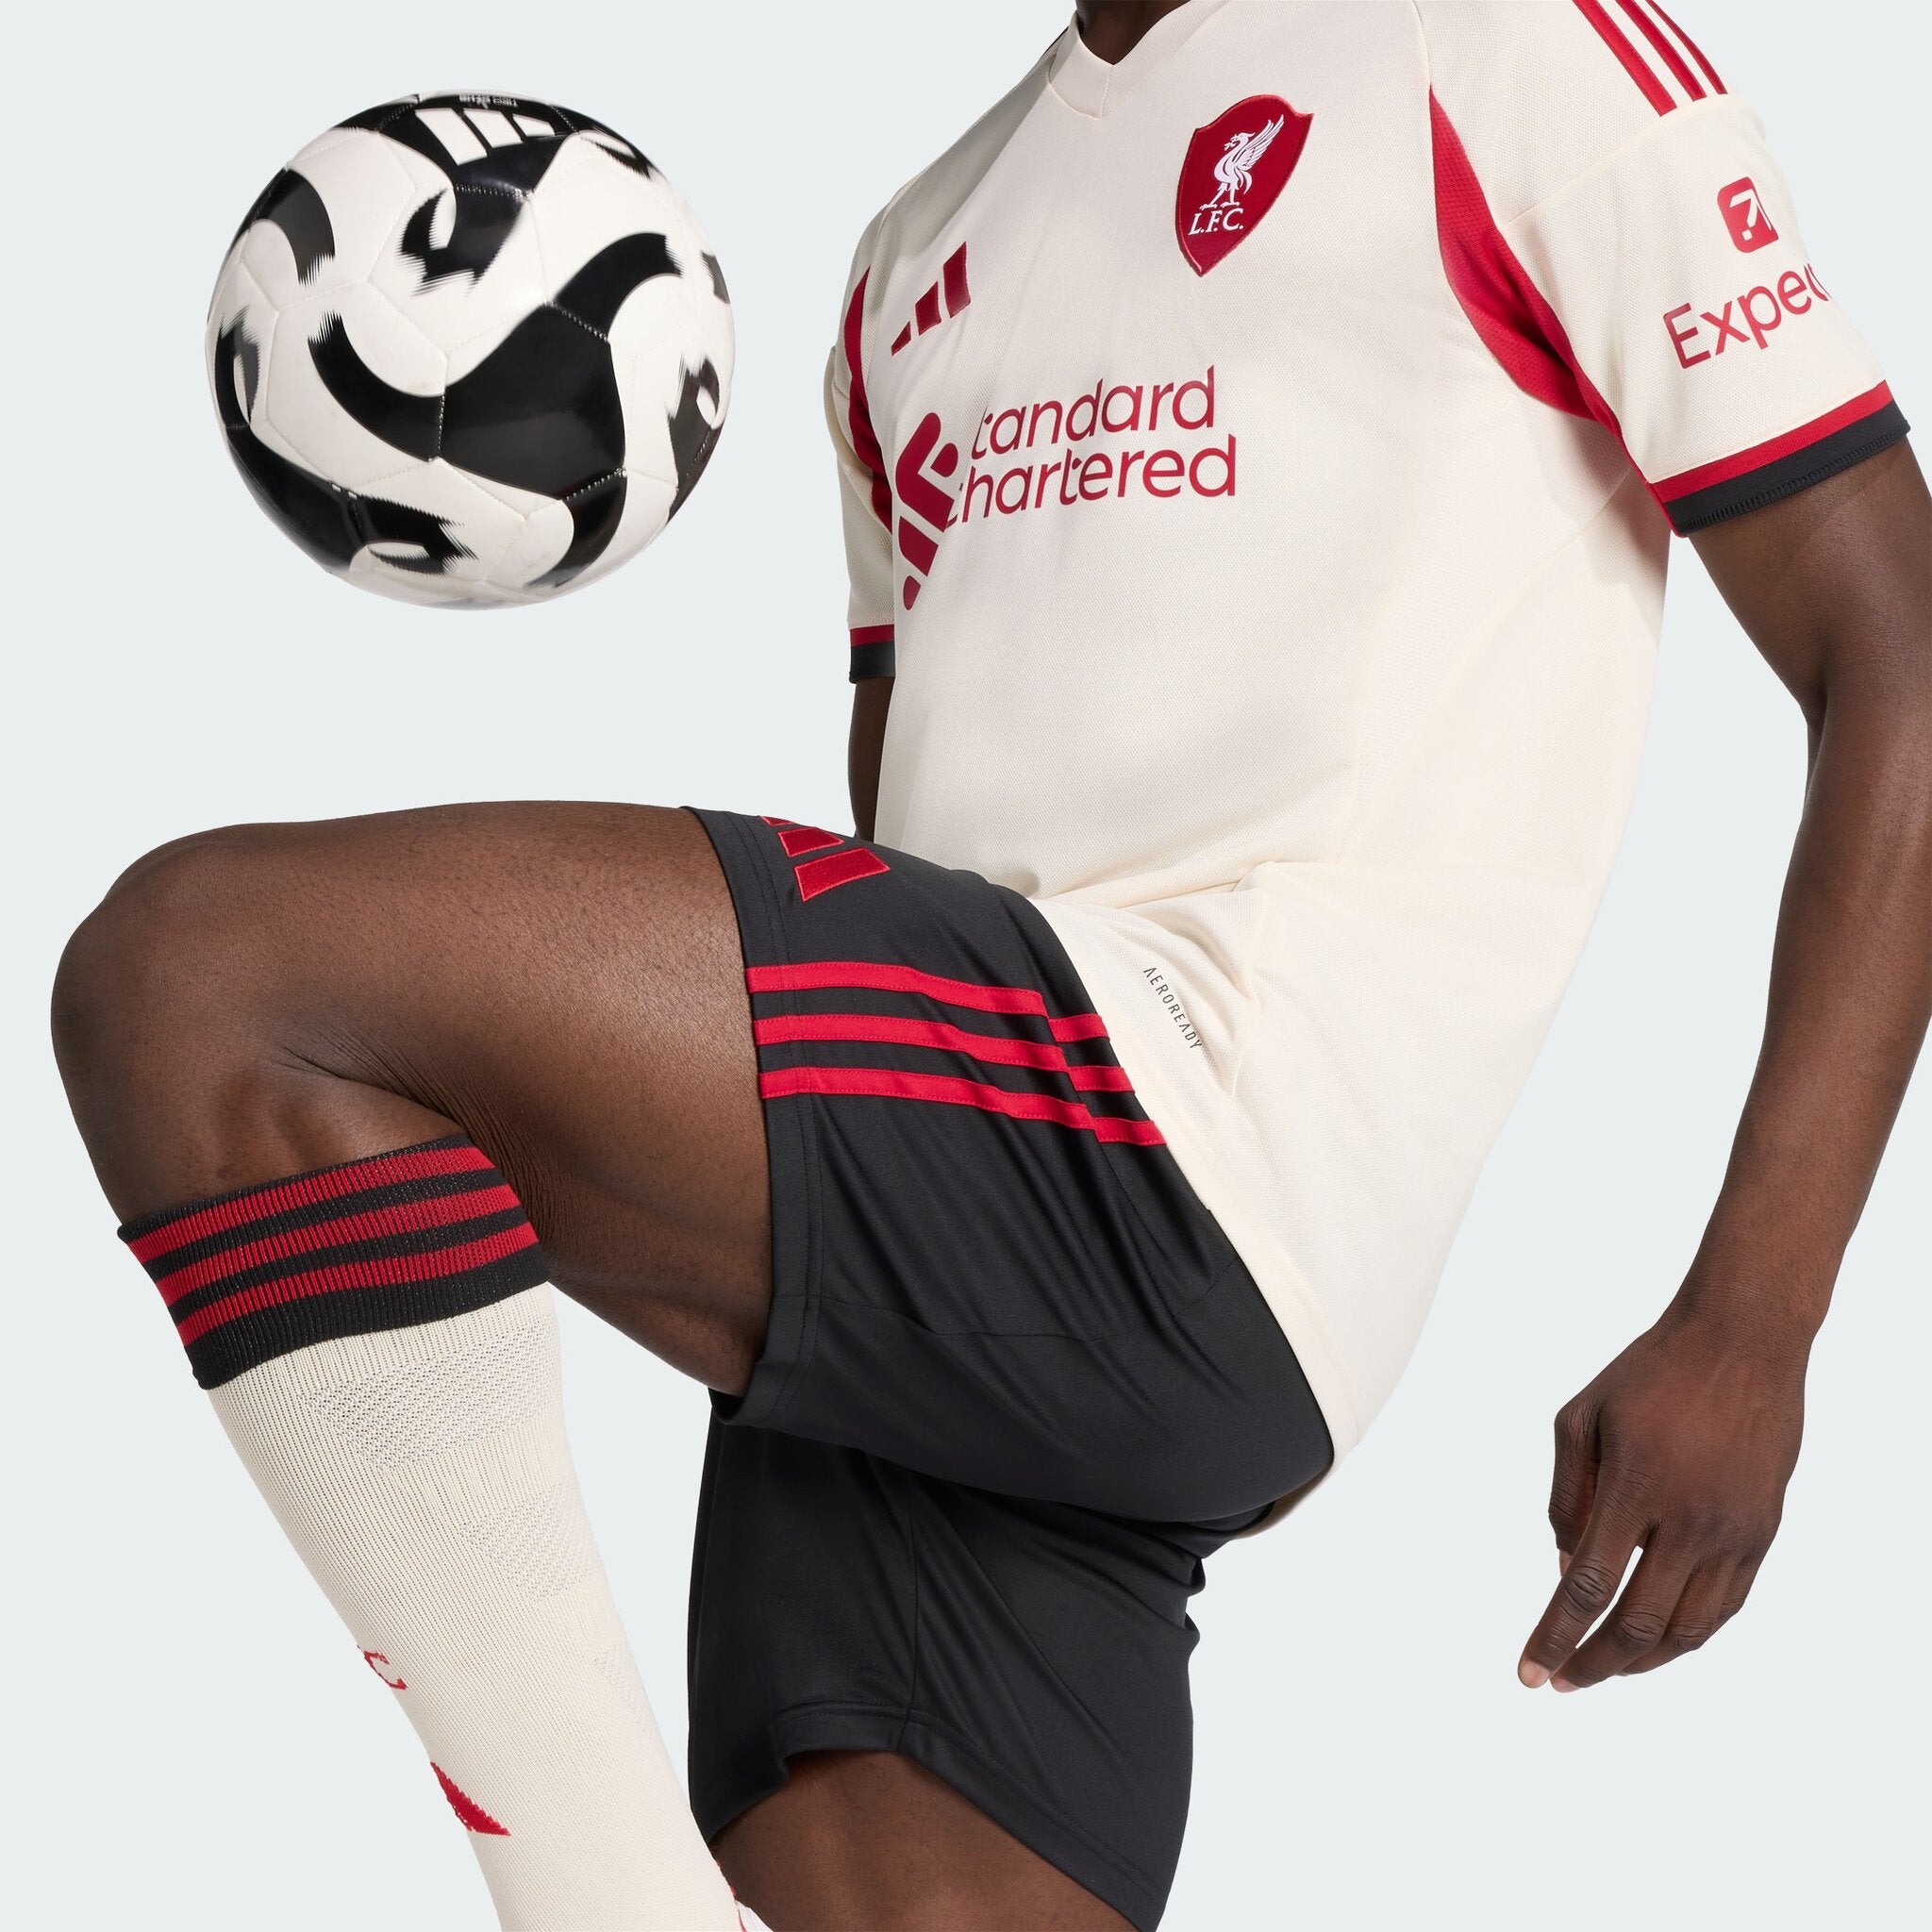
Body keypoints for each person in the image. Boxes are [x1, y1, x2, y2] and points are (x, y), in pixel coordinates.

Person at [52, 3, 1931, 1928]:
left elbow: (1902, 658)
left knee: (204, 975)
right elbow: (908, 831)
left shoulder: (1513, 52)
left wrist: (1755, 1317)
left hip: (1194, 1133)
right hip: (951, 1222)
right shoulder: (914, 251)